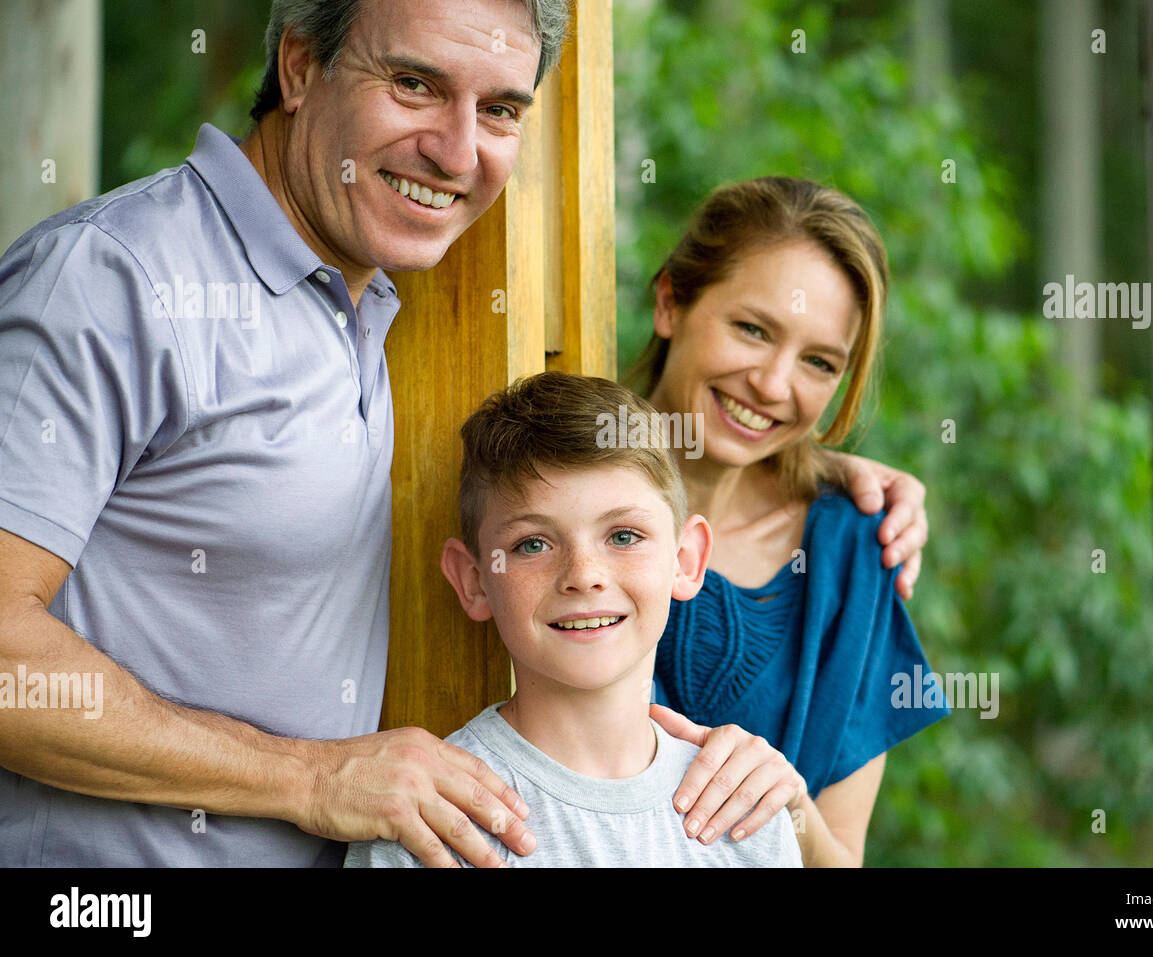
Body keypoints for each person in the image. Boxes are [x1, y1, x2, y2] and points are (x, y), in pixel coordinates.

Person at [0, 1, 927, 867]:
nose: (454, 150)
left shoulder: (366, 300)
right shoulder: (112, 281)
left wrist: (804, 464)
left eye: (500, 110)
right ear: (297, 64)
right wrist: (311, 777)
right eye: (413, 84)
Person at [348, 372, 801, 867]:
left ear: (687, 560)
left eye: (624, 536)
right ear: (473, 581)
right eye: (533, 545)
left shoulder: (746, 813)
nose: (584, 576)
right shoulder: (431, 820)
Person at [633, 177, 949, 866]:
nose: (773, 385)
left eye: (818, 361)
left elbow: (840, 857)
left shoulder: (852, 556)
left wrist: (784, 801)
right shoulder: (547, 494)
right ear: (670, 302)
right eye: (753, 329)